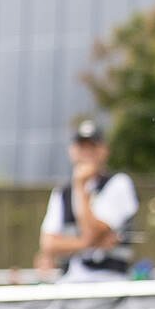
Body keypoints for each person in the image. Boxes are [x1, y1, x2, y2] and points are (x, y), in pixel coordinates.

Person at [38, 120, 138, 283]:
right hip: (69, 283)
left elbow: (93, 231)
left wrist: (81, 187)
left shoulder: (119, 183)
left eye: (92, 147)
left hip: (112, 282)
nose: (87, 152)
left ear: (104, 150)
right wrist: (87, 243)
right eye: (81, 147)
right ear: (72, 151)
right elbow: (48, 245)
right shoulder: (62, 193)